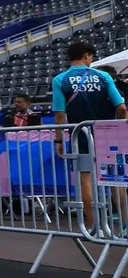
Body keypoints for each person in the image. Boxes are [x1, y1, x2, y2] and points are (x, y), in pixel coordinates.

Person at [51, 40, 127, 235]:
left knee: (85, 180)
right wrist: (119, 127)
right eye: (91, 56)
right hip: (107, 133)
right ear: (86, 55)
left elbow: (60, 114)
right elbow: (122, 107)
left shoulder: (60, 79)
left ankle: (95, 227)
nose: (91, 60)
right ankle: (126, 226)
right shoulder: (103, 76)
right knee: (115, 179)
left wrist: (59, 140)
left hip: (80, 135)